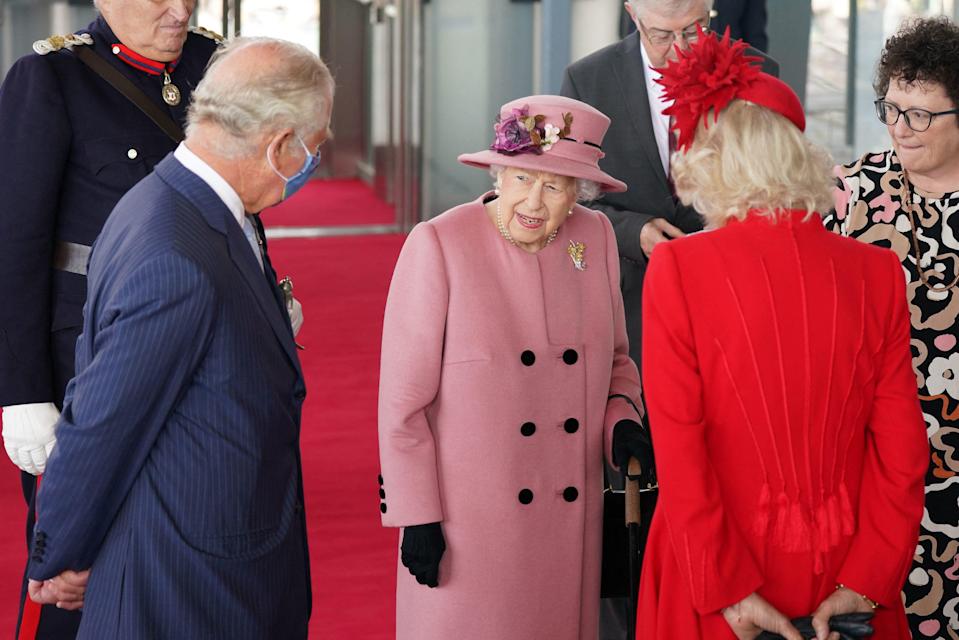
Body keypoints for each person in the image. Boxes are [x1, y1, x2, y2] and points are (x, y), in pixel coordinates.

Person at [23, 36, 332, 639]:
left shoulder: (175, 199)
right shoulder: (176, 252)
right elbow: (102, 423)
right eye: (314, 147)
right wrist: (60, 556)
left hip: (208, 558)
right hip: (192, 585)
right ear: (277, 146)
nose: (312, 163)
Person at [637, 30, 928, 640]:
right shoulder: (876, 273)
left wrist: (729, 590)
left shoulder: (678, 269)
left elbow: (680, 451)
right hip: (847, 569)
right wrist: (868, 579)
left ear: (710, 159)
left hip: (718, 572)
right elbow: (902, 452)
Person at [377, 94, 652, 640]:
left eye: (554, 186)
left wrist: (621, 419)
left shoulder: (592, 238)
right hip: (470, 526)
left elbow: (618, 359)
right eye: (522, 178)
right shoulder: (440, 243)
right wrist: (416, 514)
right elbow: (402, 404)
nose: (534, 200)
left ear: (580, 192)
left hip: (565, 523)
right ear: (499, 172)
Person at [0, 2, 219, 637]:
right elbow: (14, 245)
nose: (179, 10)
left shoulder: (214, 63)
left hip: (206, 348)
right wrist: (23, 393)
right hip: (92, 359)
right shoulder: (52, 78)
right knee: (80, 567)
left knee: (191, 545)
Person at [827, 16, 959, 638]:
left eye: (921, 115)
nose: (900, 129)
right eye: (891, 108)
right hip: (876, 457)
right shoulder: (854, 189)